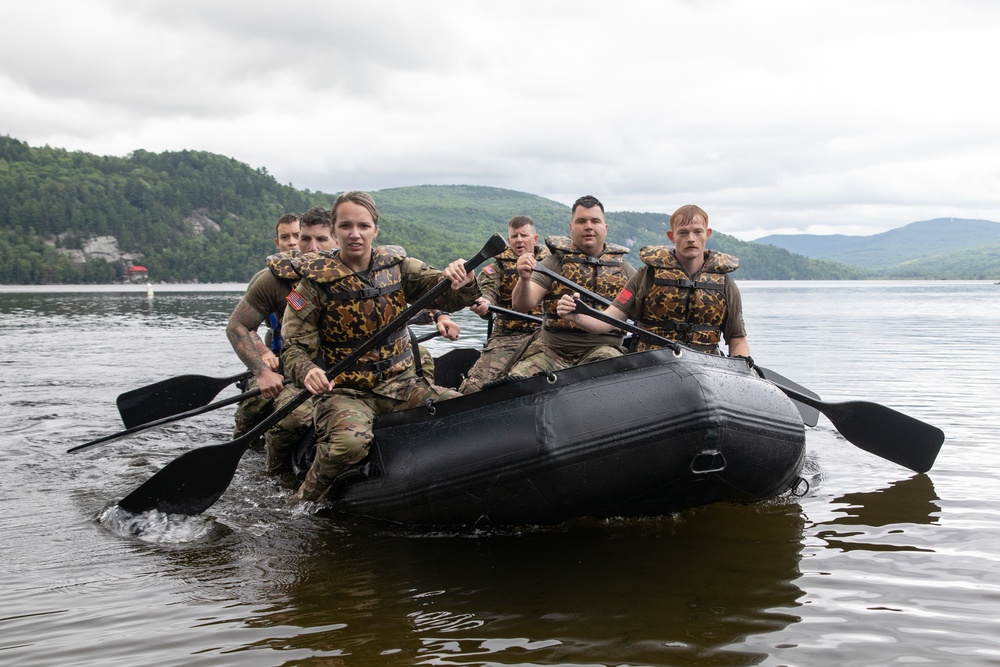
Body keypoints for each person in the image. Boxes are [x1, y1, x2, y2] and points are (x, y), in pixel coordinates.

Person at [281, 190, 481, 504]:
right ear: (334, 232)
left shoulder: (399, 267)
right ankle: (304, 499)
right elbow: (291, 348)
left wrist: (464, 279)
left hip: (400, 383)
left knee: (460, 410)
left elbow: (450, 298)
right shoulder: (312, 285)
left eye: (362, 225)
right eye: (346, 226)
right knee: (349, 444)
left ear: (376, 229)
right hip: (346, 391)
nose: (355, 234)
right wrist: (308, 371)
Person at [556, 204, 750, 357]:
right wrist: (577, 315)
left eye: (697, 232)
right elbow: (608, 321)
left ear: (707, 234)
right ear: (672, 236)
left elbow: (737, 340)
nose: (691, 239)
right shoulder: (645, 277)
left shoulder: (725, 284)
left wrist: (743, 369)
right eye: (683, 232)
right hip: (654, 363)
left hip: (706, 365)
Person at [228, 207, 339, 474]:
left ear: (337, 238)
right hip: (292, 364)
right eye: (304, 239)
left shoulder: (359, 270)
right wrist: (262, 369)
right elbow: (239, 326)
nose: (311, 247)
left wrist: (437, 315)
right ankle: (273, 471)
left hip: (342, 367)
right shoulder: (273, 279)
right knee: (291, 417)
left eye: (321, 239)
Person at [506, 195, 636, 376]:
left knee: (608, 364)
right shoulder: (552, 263)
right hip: (553, 350)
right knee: (518, 379)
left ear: (605, 228)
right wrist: (524, 279)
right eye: (581, 221)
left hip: (603, 349)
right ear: (571, 228)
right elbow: (522, 305)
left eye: (595, 221)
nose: (588, 226)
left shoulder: (626, 271)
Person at [459, 215, 548, 393]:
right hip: (508, 336)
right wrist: (484, 303)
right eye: (514, 236)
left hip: (545, 335)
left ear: (535, 238)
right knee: (473, 388)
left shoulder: (551, 264)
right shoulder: (496, 268)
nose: (519, 240)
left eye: (524, 235)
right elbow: (488, 293)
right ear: (508, 241)